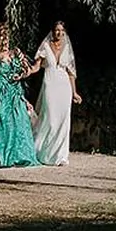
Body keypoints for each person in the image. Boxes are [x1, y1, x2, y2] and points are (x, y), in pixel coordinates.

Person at [0, 21, 39, 167]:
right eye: (2, 36)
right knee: (4, 123)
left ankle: (21, 156)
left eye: (7, 36)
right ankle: (5, 157)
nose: (5, 39)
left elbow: (28, 70)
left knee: (20, 121)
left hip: (14, 91)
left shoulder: (15, 52)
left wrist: (20, 76)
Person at [32, 19, 82, 166]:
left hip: (64, 86)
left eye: (61, 30)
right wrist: (25, 71)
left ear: (64, 32)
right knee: (50, 119)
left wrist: (74, 92)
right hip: (50, 83)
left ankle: (60, 156)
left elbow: (71, 72)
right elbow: (36, 67)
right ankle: (41, 152)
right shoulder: (46, 46)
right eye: (56, 30)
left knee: (63, 122)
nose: (58, 33)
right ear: (52, 31)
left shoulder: (67, 47)